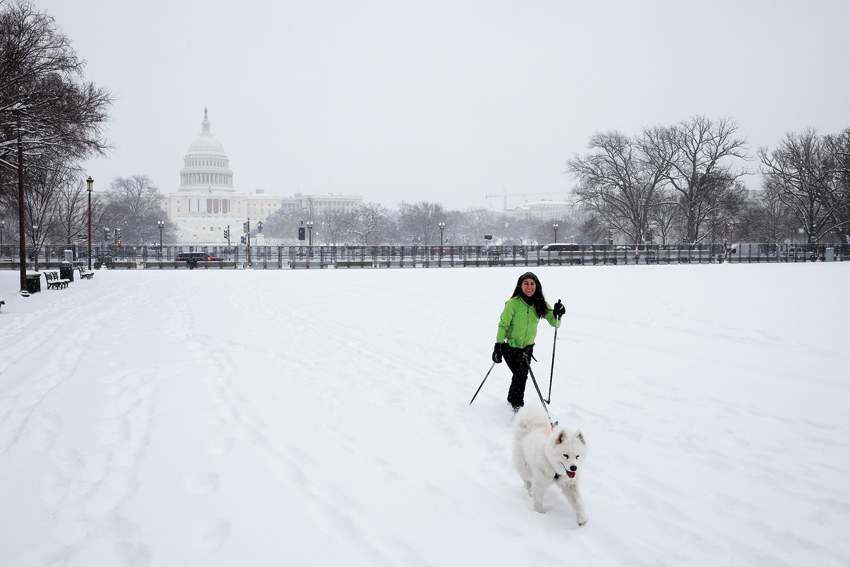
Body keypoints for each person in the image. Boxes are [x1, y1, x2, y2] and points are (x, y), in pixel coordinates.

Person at [492, 272, 565, 411]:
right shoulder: (513, 303)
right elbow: (503, 325)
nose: (529, 287)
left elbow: (555, 323)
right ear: (520, 285)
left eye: (532, 283)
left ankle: (511, 400)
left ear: (537, 286)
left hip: (527, 349)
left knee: (519, 374)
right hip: (510, 347)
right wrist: (498, 346)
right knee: (521, 375)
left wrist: (558, 314)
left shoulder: (540, 303)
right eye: (526, 283)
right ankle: (517, 407)